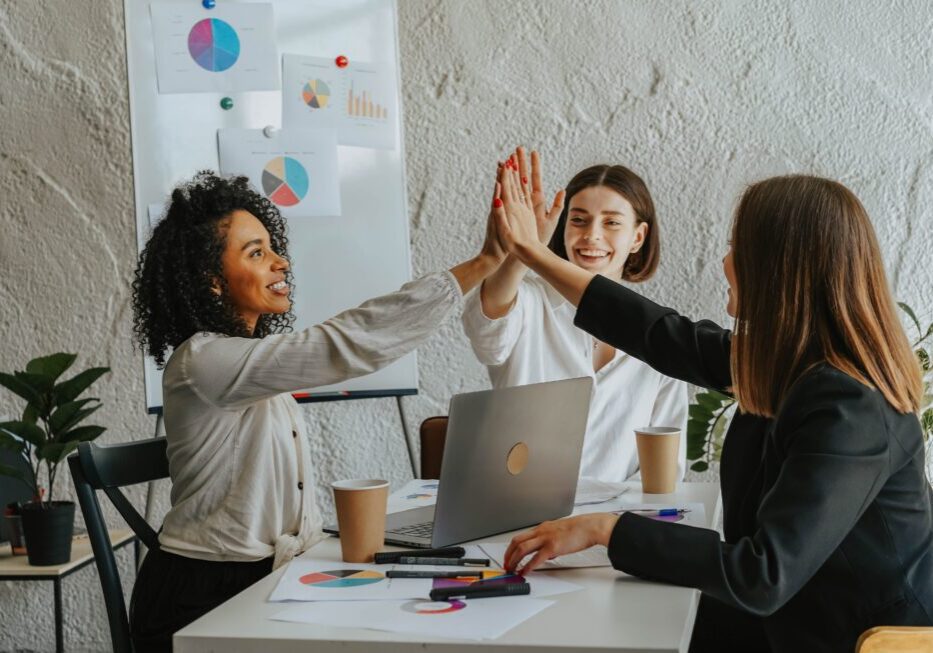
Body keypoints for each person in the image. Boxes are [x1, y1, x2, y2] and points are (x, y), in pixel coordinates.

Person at [492, 162, 933, 652]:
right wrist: (532, 254)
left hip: (851, 637)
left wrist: (606, 529)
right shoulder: (787, 364)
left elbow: (761, 575)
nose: (725, 261)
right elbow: (657, 332)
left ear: (779, 269)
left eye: (738, 248)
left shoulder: (850, 405)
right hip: (797, 613)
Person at [128, 171, 505, 650]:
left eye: (271, 247)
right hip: (202, 596)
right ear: (212, 282)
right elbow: (340, 346)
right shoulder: (203, 361)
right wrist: (484, 263)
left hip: (261, 580)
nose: (280, 262)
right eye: (256, 253)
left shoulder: (247, 363)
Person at [462, 148, 687, 482]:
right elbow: (486, 326)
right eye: (578, 220)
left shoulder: (660, 333)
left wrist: (614, 527)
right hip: (519, 516)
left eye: (611, 222)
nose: (592, 235)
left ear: (638, 237)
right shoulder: (528, 301)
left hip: (613, 524)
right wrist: (525, 249)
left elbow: (665, 468)